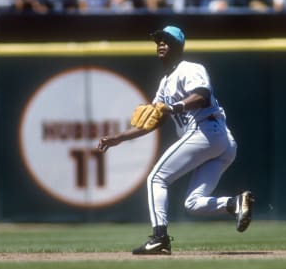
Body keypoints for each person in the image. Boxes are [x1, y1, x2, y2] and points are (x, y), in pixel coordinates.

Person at [97, 26, 254, 255]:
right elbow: (153, 120)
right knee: (193, 203)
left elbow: (202, 95)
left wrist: (174, 107)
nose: (160, 44)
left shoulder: (190, 68)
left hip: (205, 131)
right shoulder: (165, 83)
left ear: (178, 46)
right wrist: (119, 138)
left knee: (156, 179)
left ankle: (160, 238)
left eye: (166, 41)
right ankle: (234, 203)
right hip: (218, 142)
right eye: (158, 41)